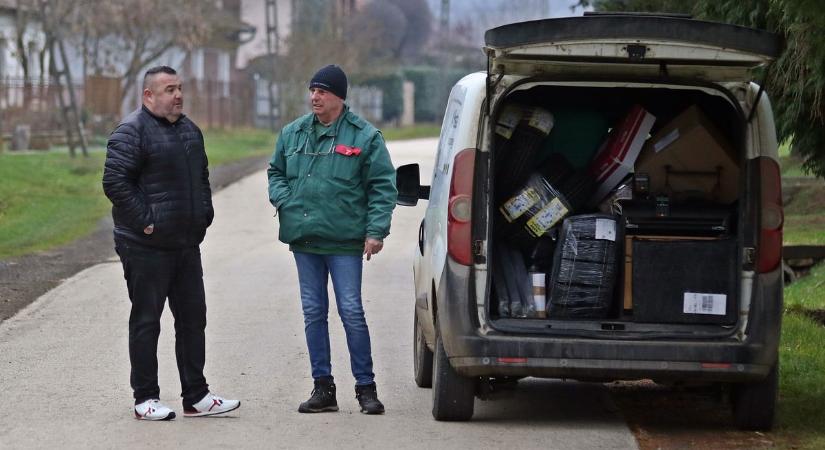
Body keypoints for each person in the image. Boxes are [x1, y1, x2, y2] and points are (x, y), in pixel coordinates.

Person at [102, 66, 240, 421]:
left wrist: (204, 214)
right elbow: (115, 183)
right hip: (145, 246)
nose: (177, 95)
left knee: (194, 319)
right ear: (148, 95)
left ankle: (197, 396)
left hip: (185, 244)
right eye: (168, 89)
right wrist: (148, 223)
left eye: (179, 88)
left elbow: (203, 177)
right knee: (147, 321)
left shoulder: (190, 131)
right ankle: (145, 398)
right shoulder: (131, 132)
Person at [267, 64, 397, 415]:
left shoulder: (364, 137)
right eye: (312, 90)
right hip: (305, 240)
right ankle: (323, 388)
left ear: (339, 97)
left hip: (344, 243)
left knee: (351, 311)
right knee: (313, 312)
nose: (315, 97)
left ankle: (366, 388)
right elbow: (275, 171)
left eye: (322, 91)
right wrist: (284, 199)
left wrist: (375, 231)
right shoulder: (293, 133)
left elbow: (383, 186)